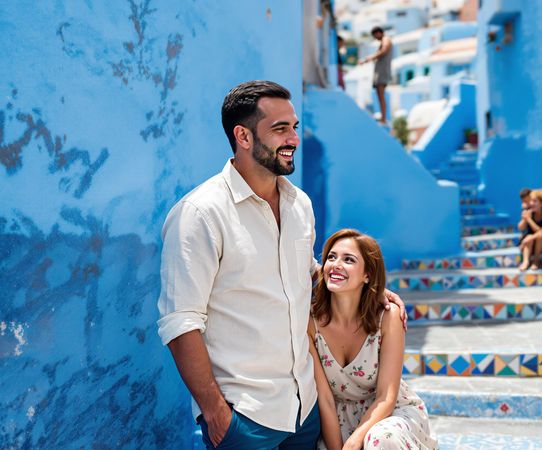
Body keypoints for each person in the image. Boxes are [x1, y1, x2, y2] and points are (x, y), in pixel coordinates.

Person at [157, 80, 406, 449]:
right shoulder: (200, 214)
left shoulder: (299, 205)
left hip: (305, 410)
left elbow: (307, 272)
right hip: (245, 416)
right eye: (280, 129)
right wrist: (216, 412)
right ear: (243, 136)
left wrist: (368, 289)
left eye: (294, 127)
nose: (294, 139)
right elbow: (181, 323)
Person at [309, 229, 437, 450]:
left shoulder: (388, 317)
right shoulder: (310, 323)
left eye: (348, 260)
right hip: (339, 421)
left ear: (367, 274)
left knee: (382, 438)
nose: (336, 264)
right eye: (331, 257)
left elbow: (386, 396)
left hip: (388, 414)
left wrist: (354, 442)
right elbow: (326, 400)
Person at [360, 26, 392, 124]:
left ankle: (383, 119)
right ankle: (383, 118)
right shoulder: (383, 41)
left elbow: (384, 49)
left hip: (382, 72)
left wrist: (370, 58)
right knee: (379, 95)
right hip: (380, 72)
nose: (375, 38)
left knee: (381, 96)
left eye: (375, 35)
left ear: (378, 33)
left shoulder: (386, 39)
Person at [518, 189, 542, 271]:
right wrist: (525, 219)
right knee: (529, 237)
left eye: (534, 201)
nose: (531, 203)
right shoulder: (529, 212)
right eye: (531, 201)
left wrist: (529, 220)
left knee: (540, 236)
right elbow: (520, 227)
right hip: (529, 242)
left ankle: (536, 261)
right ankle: (526, 261)